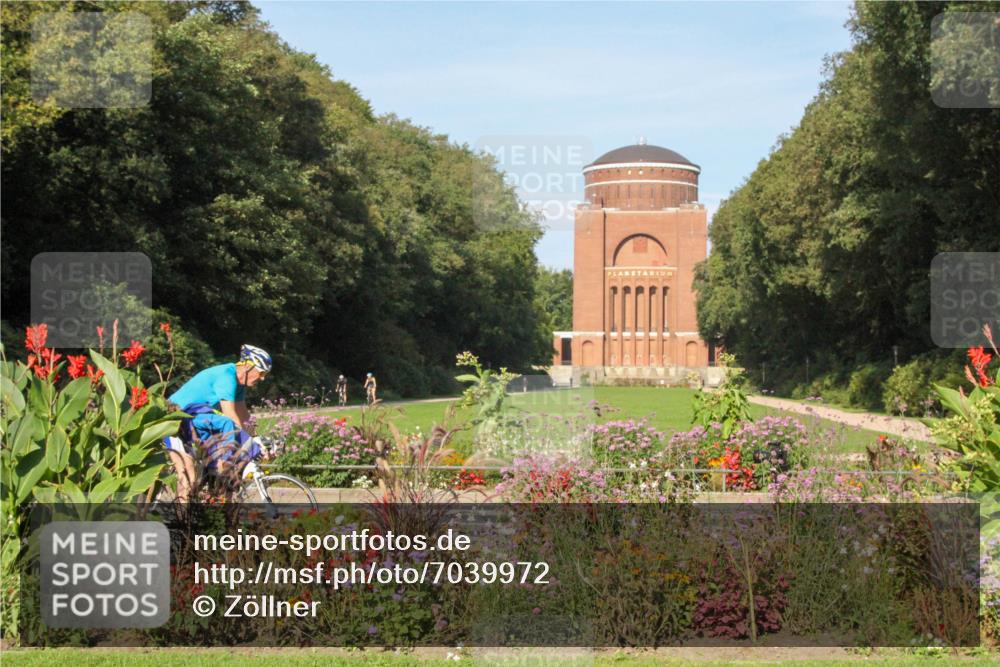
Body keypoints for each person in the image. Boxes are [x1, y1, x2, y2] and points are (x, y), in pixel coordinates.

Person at [163, 344, 272, 502]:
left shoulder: (239, 384)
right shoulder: (227, 376)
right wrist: (248, 440)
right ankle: (182, 524)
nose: (262, 378)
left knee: (224, 468)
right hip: (173, 420)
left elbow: (244, 416)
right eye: (261, 373)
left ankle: (214, 504)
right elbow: (231, 416)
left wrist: (257, 439)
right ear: (248, 367)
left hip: (193, 422)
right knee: (187, 475)